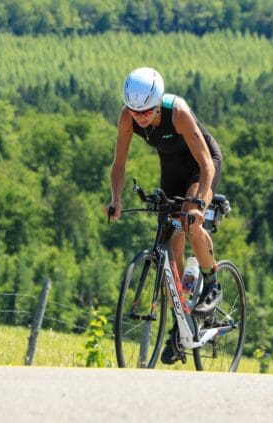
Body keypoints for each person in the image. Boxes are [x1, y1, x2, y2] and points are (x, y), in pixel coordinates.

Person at [106, 67, 223, 364]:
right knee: (169, 251)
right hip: (171, 172)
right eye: (134, 111)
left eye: (145, 112)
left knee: (188, 220)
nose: (139, 117)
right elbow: (119, 164)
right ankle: (181, 322)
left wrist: (199, 205)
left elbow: (207, 164)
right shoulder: (127, 117)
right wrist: (116, 199)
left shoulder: (178, 112)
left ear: (158, 103)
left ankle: (212, 283)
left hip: (201, 167)